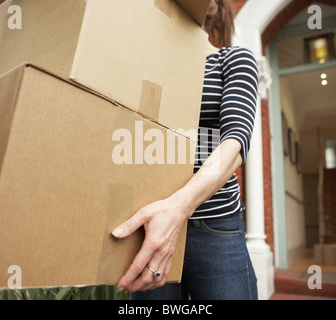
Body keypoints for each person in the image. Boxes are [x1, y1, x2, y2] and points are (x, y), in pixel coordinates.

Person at [112, 0, 259, 300]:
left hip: (215, 227)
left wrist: (178, 209)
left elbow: (235, 142)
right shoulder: (148, 67)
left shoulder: (233, 60)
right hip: (150, 226)